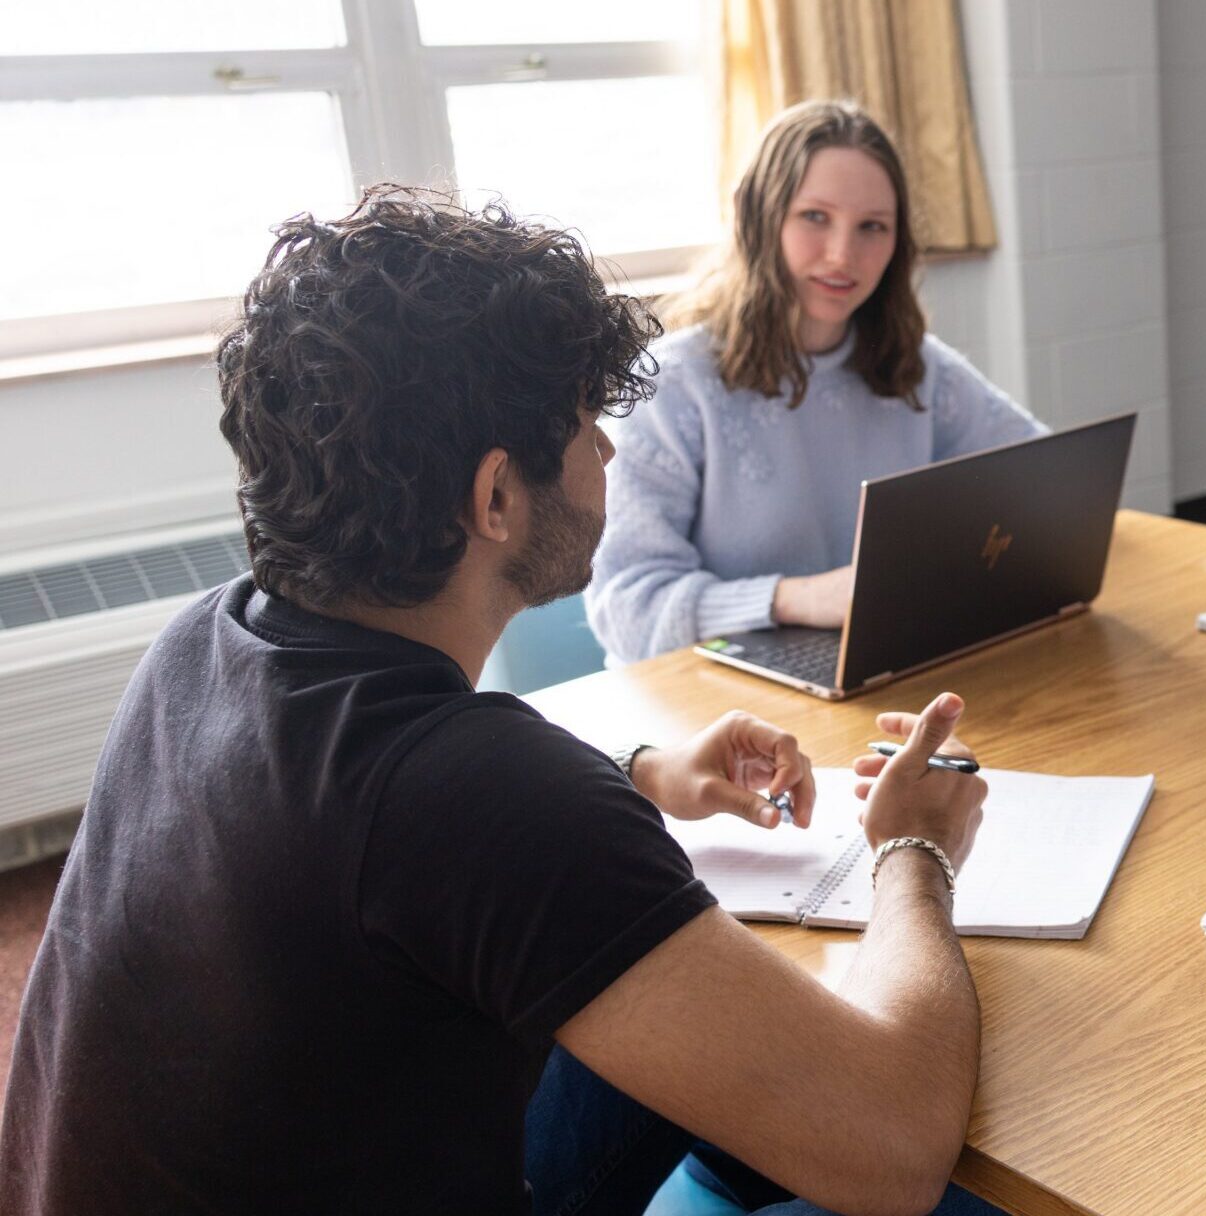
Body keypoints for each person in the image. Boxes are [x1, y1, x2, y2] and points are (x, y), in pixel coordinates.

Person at [0, 190, 996, 1216]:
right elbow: (899, 1144)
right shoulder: (486, 796)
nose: (607, 454)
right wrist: (910, 849)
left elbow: (393, 837)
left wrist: (644, 775)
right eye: (582, 426)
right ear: (494, 498)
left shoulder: (210, 635)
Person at [588, 99, 1046, 664]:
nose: (842, 255)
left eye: (872, 227)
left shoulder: (918, 368)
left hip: (881, 672)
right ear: (759, 219)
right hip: (709, 712)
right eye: (815, 217)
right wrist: (798, 599)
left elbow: (1046, 485)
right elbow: (626, 611)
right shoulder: (674, 385)